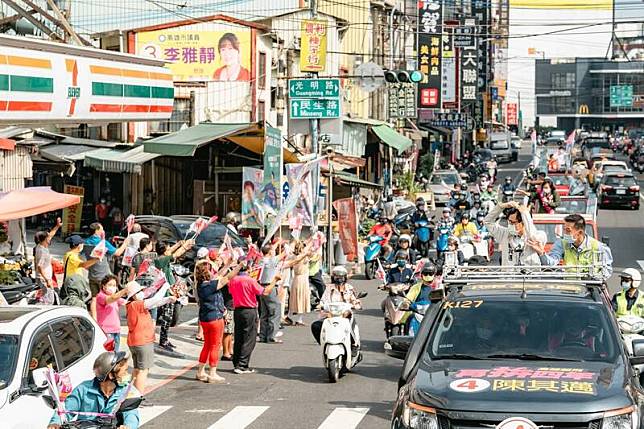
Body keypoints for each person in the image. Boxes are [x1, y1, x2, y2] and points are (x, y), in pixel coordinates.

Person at [47, 351, 139, 429]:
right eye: (124, 371)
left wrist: (128, 426)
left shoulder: (126, 391)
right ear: (111, 375)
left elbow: (131, 414)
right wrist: (55, 423)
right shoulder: (83, 389)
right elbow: (65, 410)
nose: (127, 374)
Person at [125, 280, 177, 394]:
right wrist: (164, 287)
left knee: (137, 370)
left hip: (135, 342)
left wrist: (168, 299)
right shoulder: (137, 304)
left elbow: (154, 303)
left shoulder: (132, 305)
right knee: (143, 371)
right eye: (138, 291)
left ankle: (129, 394)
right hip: (143, 342)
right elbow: (154, 300)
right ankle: (138, 397)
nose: (141, 293)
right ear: (133, 295)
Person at [228, 261, 280, 374]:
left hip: (238, 310)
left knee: (239, 337)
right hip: (249, 310)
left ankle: (237, 362)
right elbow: (265, 292)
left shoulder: (233, 280)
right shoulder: (250, 281)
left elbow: (230, 292)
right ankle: (242, 365)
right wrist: (274, 280)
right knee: (249, 338)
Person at [194, 260, 241, 383]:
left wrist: (227, 265)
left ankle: (200, 371)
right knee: (215, 346)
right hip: (215, 318)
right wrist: (239, 266)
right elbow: (227, 277)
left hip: (205, 319)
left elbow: (219, 275)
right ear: (206, 273)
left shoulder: (200, 285)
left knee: (207, 345)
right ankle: (212, 373)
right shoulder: (211, 285)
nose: (212, 272)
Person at [529, 213, 613, 281]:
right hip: (569, 288)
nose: (564, 233)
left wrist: (591, 278)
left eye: (568, 230)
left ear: (580, 233)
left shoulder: (599, 247)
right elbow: (551, 263)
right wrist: (541, 252)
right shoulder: (562, 243)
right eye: (564, 229)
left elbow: (607, 271)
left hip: (591, 289)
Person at [310, 266, 363, 362]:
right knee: (316, 326)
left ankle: (354, 346)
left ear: (345, 277)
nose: (339, 279)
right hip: (330, 315)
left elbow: (355, 300)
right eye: (336, 276)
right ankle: (324, 343)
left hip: (345, 315)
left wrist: (356, 304)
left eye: (341, 276)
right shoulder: (329, 288)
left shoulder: (349, 288)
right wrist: (320, 306)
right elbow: (323, 300)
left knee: (351, 327)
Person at [154, 239, 194, 352]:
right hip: (167, 292)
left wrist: (178, 243)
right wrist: (185, 246)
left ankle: (164, 339)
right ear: (164, 250)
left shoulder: (161, 257)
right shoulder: (162, 260)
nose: (169, 249)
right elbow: (176, 254)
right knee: (167, 318)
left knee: (168, 316)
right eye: (167, 248)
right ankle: (163, 341)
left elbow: (171, 251)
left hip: (169, 290)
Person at [84, 223, 129, 320]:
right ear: (97, 230)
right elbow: (117, 253)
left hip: (92, 275)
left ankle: (94, 319)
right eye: (102, 229)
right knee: (109, 298)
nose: (103, 231)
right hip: (104, 276)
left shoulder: (86, 242)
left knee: (94, 298)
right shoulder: (102, 243)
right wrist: (125, 243)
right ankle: (107, 318)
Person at [484, 201, 544, 266]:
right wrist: (501, 206)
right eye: (509, 222)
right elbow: (487, 222)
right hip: (510, 275)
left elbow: (533, 237)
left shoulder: (539, 234)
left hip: (529, 274)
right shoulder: (504, 234)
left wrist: (525, 213)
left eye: (513, 222)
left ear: (523, 222)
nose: (510, 225)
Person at [258, 244, 283, 343]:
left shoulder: (260, 260)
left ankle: (263, 335)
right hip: (270, 286)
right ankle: (272, 336)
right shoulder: (271, 260)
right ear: (269, 252)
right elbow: (284, 254)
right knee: (274, 311)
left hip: (261, 286)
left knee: (264, 313)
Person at [96, 274, 128, 353]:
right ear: (104, 286)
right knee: (108, 356)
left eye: (114, 285)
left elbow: (126, 303)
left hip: (116, 330)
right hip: (107, 332)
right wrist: (125, 290)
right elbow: (112, 299)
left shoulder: (115, 297)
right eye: (110, 285)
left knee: (115, 355)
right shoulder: (101, 296)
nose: (112, 287)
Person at [284, 240, 313, 326]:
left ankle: (289, 315)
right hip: (302, 279)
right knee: (301, 298)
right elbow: (312, 253)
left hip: (295, 278)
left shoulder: (293, 256)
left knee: (294, 298)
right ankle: (299, 319)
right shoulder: (303, 257)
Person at [34, 217, 62, 288]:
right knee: (46, 298)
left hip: (44, 277)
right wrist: (47, 280)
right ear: (45, 239)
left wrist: (57, 226)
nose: (50, 237)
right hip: (43, 279)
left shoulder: (41, 245)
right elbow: (39, 266)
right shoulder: (42, 251)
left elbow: (51, 234)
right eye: (48, 236)